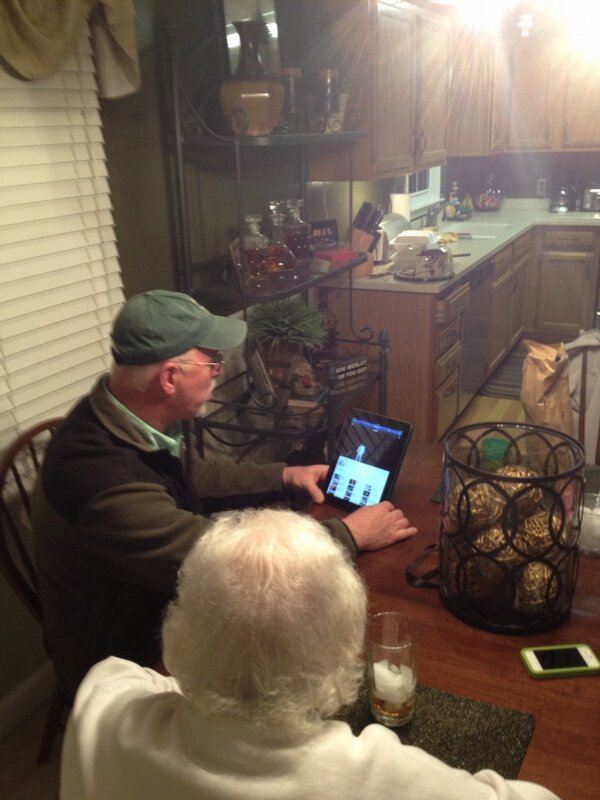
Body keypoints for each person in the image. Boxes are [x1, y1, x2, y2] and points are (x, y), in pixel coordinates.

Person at [32, 290, 417, 705]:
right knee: (304, 658)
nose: (218, 372)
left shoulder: (124, 413)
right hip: (126, 662)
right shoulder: (98, 479)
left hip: (157, 601)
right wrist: (348, 535)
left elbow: (195, 474)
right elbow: (220, 564)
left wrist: (284, 474)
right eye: (212, 362)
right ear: (168, 377)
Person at [60, 508, 561, 800]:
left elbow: (138, 680)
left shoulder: (102, 704)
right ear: (345, 652)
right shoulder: (380, 778)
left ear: (180, 625)